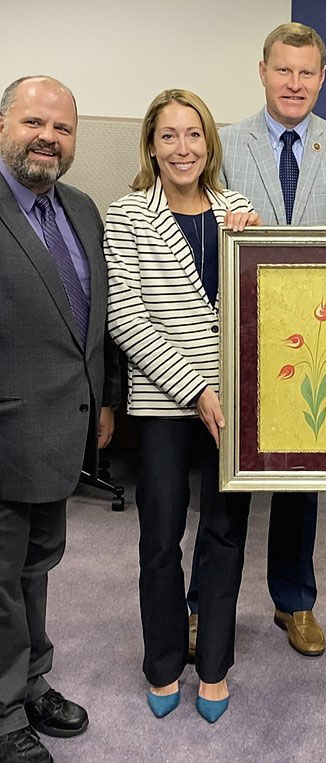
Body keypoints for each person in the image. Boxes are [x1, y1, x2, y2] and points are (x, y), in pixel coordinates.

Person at [187, 21, 326, 658]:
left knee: (300, 481)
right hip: (234, 341)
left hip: (310, 344)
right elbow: (197, 238)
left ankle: (294, 601)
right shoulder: (222, 145)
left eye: (307, 72)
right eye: (283, 70)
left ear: (322, 78)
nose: (294, 83)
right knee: (223, 485)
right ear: (261, 71)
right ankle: (203, 603)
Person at [104, 89, 258, 724]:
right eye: (168, 136)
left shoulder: (239, 211)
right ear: (150, 145)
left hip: (237, 406)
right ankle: (164, 661)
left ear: (209, 143)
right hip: (166, 401)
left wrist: (261, 244)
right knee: (160, 537)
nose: (182, 148)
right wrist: (196, 389)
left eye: (193, 134)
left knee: (225, 533)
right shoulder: (125, 215)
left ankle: (215, 667)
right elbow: (126, 318)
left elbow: (266, 301)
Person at [0, 75, 119, 763]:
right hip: (6, 427)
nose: (48, 137)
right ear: (5, 124)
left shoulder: (79, 208)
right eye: (34, 122)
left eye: (63, 128)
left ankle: (32, 678)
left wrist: (101, 399)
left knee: (35, 568)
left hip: (59, 430)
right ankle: (4, 707)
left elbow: (89, 322)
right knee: (1, 581)